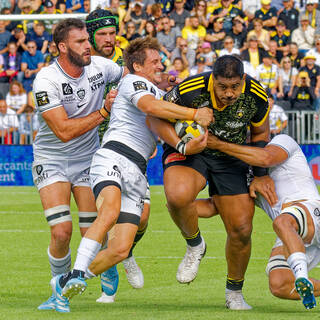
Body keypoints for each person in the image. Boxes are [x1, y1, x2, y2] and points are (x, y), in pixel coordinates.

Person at [50, 37, 212, 311]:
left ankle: (65, 284)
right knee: (109, 211)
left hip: (137, 169)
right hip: (113, 156)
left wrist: (183, 144)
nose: (161, 65)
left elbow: (154, 120)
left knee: (120, 249)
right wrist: (195, 113)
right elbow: (150, 108)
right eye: (155, 61)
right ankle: (77, 271)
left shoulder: (155, 92)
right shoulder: (133, 82)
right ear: (137, 65)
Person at [147, 55, 270, 310]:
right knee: (178, 197)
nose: (228, 93)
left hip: (231, 154)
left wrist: (260, 174)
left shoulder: (257, 94)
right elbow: (155, 116)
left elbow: (260, 133)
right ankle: (195, 245)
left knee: (241, 230)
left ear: (243, 80)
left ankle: (234, 292)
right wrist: (182, 144)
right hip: (191, 150)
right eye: (222, 86)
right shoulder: (191, 89)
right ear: (213, 79)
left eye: (234, 86)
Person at [32, 18, 125, 313]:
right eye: (81, 42)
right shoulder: (46, 80)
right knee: (61, 231)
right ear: (62, 47)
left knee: (91, 231)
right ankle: (58, 286)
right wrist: (104, 111)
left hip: (88, 160)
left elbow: (131, 76)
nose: (89, 46)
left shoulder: (100, 66)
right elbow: (63, 131)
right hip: (52, 159)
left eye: (88, 40)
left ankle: (103, 268)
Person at [200, 133, 320, 310]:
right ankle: (302, 280)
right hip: (290, 234)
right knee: (279, 285)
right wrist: (179, 206)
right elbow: (217, 206)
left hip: (309, 210)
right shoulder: (242, 173)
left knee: (281, 222)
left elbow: (266, 158)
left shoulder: (281, 141)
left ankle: (301, 275)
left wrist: (219, 145)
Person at [85, 8, 155, 304]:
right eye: (102, 34)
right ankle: (102, 285)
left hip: (126, 148)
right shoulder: (80, 65)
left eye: (113, 33)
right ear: (89, 36)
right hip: (90, 149)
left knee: (143, 219)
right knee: (101, 218)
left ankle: (126, 254)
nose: (109, 39)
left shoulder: (125, 63)